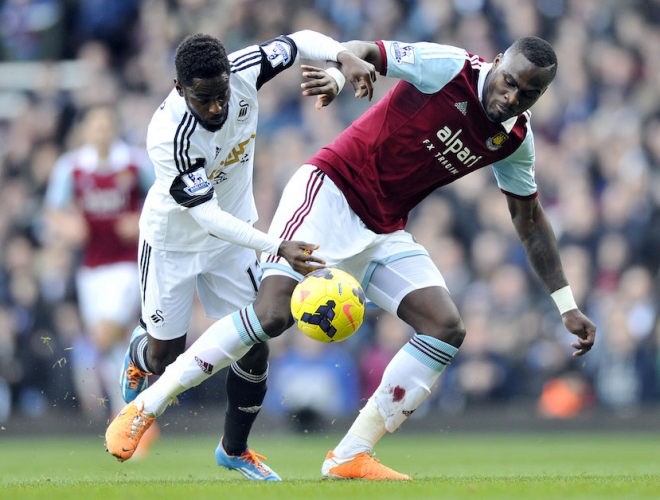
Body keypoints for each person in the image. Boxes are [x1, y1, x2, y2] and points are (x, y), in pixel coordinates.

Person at [105, 36, 596, 480]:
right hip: (328, 193)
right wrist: (340, 75)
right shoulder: (452, 67)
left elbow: (529, 220)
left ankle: (350, 454)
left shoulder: (515, 140)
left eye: (528, 93)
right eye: (509, 81)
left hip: (383, 228)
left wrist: (566, 305)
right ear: (498, 62)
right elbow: (369, 51)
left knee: (446, 327)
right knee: (273, 314)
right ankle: (145, 406)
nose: (511, 97)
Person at [112, 31, 375, 481]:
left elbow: (299, 40)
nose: (217, 107)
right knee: (163, 360)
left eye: (222, 95)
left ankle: (234, 449)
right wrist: (277, 246)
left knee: (254, 344)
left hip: (232, 242)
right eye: (204, 99)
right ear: (179, 88)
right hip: (175, 242)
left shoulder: (246, 68)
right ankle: (139, 353)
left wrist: (342, 55)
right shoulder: (168, 135)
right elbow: (207, 217)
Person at [43, 105, 154, 422]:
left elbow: (162, 196)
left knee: (105, 334)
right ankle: (132, 407)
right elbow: (52, 209)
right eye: (95, 126)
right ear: (85, 131)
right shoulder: (72, 166)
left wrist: (140, 219)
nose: (101, 132)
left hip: (126, 264)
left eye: (106, 126)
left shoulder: (134, 163)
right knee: (108, 341)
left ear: (114, 128)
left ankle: (125, 407)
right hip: (91, 267)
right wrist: (68, 226)